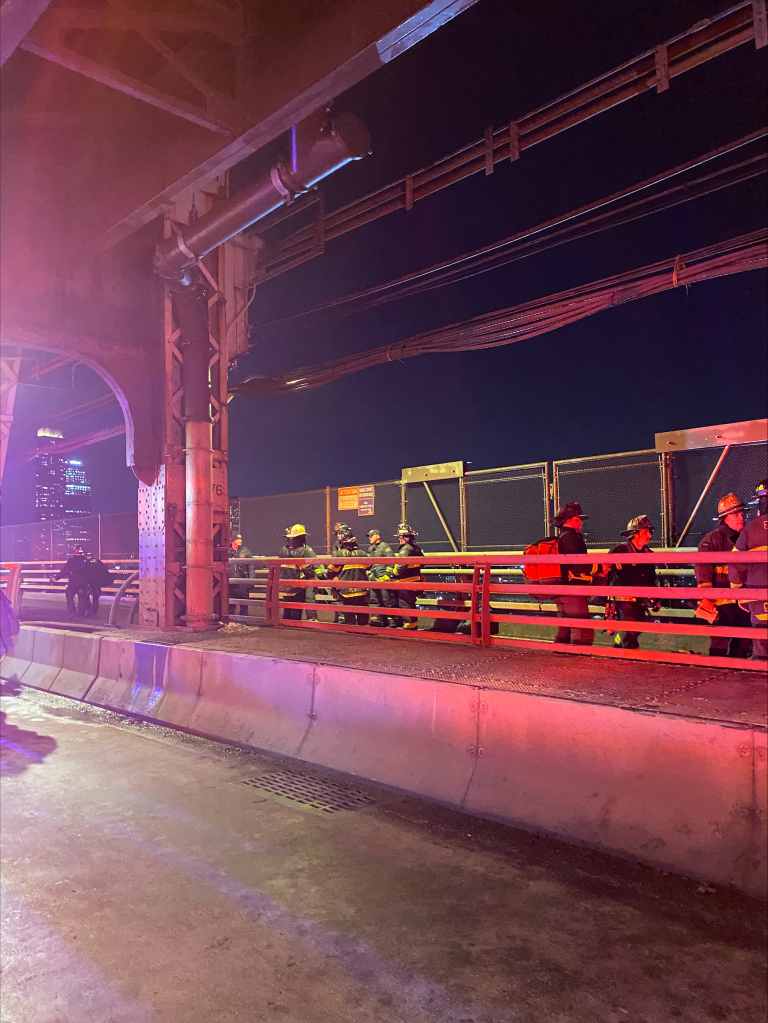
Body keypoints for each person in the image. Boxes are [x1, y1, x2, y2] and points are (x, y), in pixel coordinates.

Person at [696, 494, 751, 658]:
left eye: (742, 514)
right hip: (721, 605)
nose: (741, 518)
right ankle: (716, 675)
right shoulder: (713, 539)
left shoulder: (746, 537)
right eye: (736, 514)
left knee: (743, 642)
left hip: (742, 603)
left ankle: (737, 678)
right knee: (719, 643)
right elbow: (703, 569)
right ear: (724, 518)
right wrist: (707, 598)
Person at [729, 479, 768, 660]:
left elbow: (735, 563)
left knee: (761, 649)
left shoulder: (751, 529)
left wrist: (738, 592)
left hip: (758, 597)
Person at [608, 516, 659, 649]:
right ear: (634, 534)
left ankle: (618, 645)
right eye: (645, 532)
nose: (649, 535)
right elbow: (607, 573)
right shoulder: (619, 552)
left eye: (649, 532)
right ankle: (631, 661)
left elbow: (652, 577)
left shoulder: (648, 554)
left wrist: (656, 597)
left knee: (636, 628)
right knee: (630, 628)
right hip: (623, 600)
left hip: (640, 600)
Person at [551, 503, 596, 646]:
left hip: (563, 590)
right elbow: (578, 564)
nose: (581, 522)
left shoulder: (564, 537)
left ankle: (560, 658)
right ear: (569, 519)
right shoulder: (570, 538)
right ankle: (579, 662)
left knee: (565, 628)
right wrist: (599, 567)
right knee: (581, 629)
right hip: (573, 591)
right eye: (578, 518)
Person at [382, 523, 424, 630]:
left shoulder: (405, 549)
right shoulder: (416, 548)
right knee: (411, 603)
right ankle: (412, 624)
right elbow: (422, 563)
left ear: (402, 537)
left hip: (406, 581)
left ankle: (409, 626)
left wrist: (391, 574)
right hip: (415, 580)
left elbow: (401, 566)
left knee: (405, 603)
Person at [326, 527, 370, 625]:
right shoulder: (362, 553)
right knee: (362, 614)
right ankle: (364, 633)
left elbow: (330, 571)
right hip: (361, 591)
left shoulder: (339, 554)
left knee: (349, 616)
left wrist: (333, 587)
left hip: (346, 591)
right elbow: (369, 567)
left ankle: (352, 634)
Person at [279, 525, 320, 621]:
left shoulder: (282, 550)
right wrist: (315, 581)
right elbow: (308, 571)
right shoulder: (303, 551)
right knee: (296, 612)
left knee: (287, 610)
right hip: (297, 587)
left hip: (284, 585)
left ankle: (284, 627)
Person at [366, 527, 397, 627]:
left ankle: (393, 621)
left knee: (387, 600)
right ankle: (376, 619)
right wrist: (370, 574)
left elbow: (391, 562)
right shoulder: (371, 549)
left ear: (378, 536)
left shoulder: (384, 547)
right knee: (374, 599)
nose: (370, 537)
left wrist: (386, 576)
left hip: (383, 579)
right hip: (374, 579)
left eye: (372, 535)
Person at [53, 545, 89, 620]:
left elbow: (64, 570)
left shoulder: (71, 561)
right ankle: (80, 614)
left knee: (69, 596)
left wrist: (56, 578)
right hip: (83, 583)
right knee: (82, 598)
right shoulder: (86, 561)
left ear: (75, 551)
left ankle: (72, 612)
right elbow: (90, 572)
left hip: (73, 582)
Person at [229, 533, 254, 618]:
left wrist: (251, 581)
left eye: (240, 539)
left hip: (242, 581)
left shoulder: (246, 551)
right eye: (238, 539)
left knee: (244, 603)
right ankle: (230, 620)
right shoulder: (227, 551)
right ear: (233, 540)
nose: (240, 540)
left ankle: (244, 620)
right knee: (230, 604)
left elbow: (251, 567)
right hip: (230, 582)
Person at [83, 552, 113, 620]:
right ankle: (95, 613)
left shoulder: (86, 562)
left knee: (86, 596)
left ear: (86, 556)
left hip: (89, 581)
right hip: (97, 582)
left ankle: (89, 611)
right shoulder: (98, 562)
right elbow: (105, 570)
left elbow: (83, 572)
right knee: (95, 598)